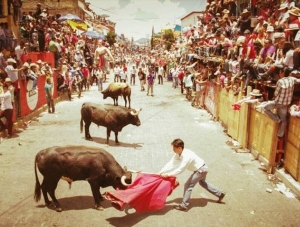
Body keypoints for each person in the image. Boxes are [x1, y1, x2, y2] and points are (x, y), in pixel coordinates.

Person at [158, 138, 226, 211]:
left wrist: (168, 174)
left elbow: (180, 169)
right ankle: (220, 194)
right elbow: (171, 163)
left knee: (188, 186)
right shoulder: (179, 153)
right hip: (202, 168)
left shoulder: (187, 156)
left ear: (179, 148)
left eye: (174, 148)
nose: (173, 150)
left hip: (200, 170)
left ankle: (184, 206)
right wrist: (161, 171)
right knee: (203, 183)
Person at [263, 68, 300, 138]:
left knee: (264, 108)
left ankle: (277, 119)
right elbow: (298, 80)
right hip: (286, 104)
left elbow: (276, 94)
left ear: (283, 73)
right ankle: (280, 135)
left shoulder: (280, 81)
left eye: (280, 73)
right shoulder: (292, 79)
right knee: (284, 120)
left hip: (278, 102)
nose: (279, 74)